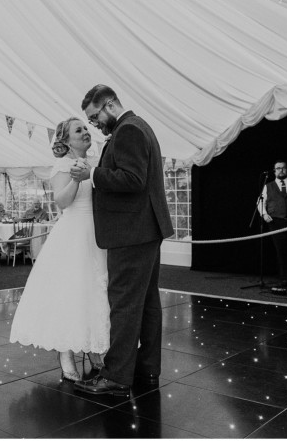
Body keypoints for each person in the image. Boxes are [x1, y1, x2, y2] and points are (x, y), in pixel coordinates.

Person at [70, 84, 173, 397]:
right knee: (147, 305)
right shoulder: (139, 126)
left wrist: (93, 174)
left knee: (125, 305)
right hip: (145, 230)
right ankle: (146, 370)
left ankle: (116, 377)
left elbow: (133, 179)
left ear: (109, 104)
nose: (95, 124)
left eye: (95, 117)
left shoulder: (128, 130)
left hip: (131, 232)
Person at [10, 118, 109, 382]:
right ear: (65, 141)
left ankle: (94, 347)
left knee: (94, 290)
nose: (86, 133)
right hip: (73, 232)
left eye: (87, 129)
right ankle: (66, 352)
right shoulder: (62, 166)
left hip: (97, 233)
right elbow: (62, 202)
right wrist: (77, 179)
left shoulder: (97, 162)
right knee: (71, 292)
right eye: (79, 130)